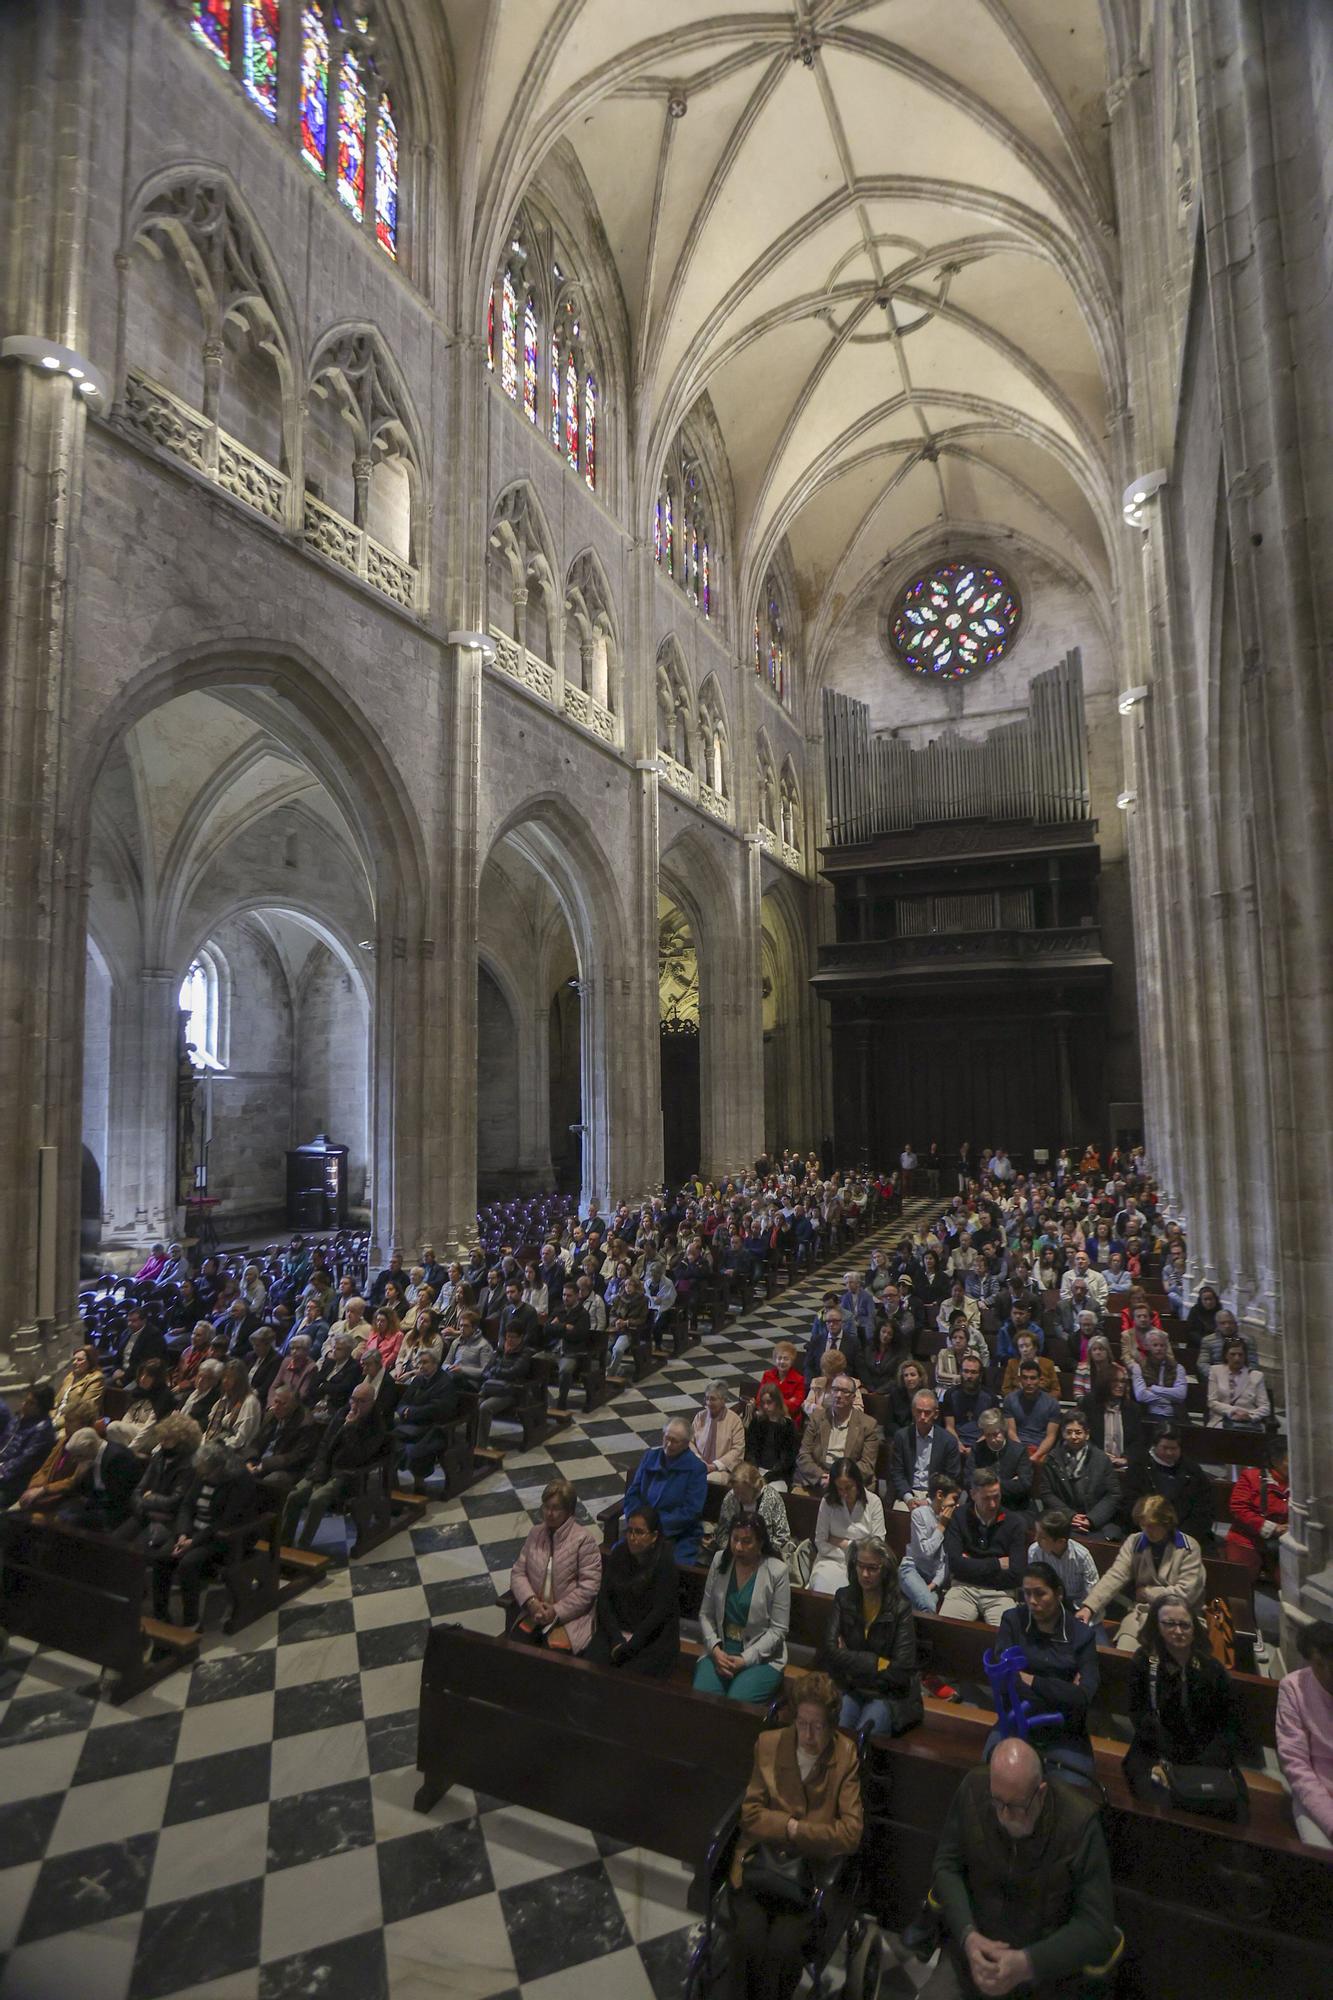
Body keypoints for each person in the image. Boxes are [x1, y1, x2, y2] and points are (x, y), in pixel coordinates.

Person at [921, 1736, 1118, 1998]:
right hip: (971, 1957)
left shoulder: (1078, 1824)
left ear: (1041, 1792)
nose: (1003, 1816)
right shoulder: (974, 1788)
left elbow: (1096, 1927)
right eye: (997, 1802)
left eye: (1015, 1806)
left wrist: (1028, 1963)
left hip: (1042, 1978)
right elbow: (947, 1865)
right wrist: (968, 1935)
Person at [725, 1670, 863, 2000]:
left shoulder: (844, 1756)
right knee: (748, 1939)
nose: (809, 1734)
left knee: (784, 1950)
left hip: (806, 1876)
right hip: (760, 1863)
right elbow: (751, 1814)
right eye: (802, 1723)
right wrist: (791, 1827)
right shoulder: (770, 1744)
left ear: (831, 1724)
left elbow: (851, 1833)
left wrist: (797, 1831)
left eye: (818, 1726)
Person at [1122, 1596, 1243, 1798]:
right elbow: (1139, 1715)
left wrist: (1206, 1758)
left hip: (1206, 1753)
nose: (1178, 1631)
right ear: (1156, 1626)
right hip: (1156, 1749)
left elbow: (1229, 1722)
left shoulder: (1211, 1668)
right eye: (1169, 1624)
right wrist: (1169, 1756)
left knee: (1227, 1801)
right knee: (1156, 1796)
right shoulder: (1144, 1663)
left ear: (1194, 1627)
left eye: (1184, 1625)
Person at [992, 1563, 1100, 1779]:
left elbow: (1084, 1696)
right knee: (996, 1775)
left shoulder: (1081, 1635)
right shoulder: (1013, 1620)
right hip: (1015, 1720)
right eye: (1027, 1594)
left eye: (1040, 1594)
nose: (1032, 1601)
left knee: (1074, 1788)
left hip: (1065, 1732)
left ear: (1058, 1593)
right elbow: (1003, 1681)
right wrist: (1064, 1691)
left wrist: (1030, 1680)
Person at [821, 1538, 923, 1740]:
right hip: (853, 1687)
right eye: (861, 1566)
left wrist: (849, 1656)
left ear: (884, 1569)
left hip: (888, 1694)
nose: (865, 1574)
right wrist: (876, 1662)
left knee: (864, 1734)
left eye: (872, 1568)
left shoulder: (900, 1608)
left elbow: (902, 1669)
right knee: (838, 1729)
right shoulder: (843, 1598)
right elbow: (830, 1653)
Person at [149, 1442, 259, 1627]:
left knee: (187, 1563)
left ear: (220, 1467)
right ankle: (160, 1615)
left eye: (207, 1474)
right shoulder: (203, 1471)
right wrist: (183, 1534)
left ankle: (191, 1621)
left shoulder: (240, 1479)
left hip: (224, 1536)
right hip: (194, 1531)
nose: (203, 1477)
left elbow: (226, 1520)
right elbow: (187, 1505)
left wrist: (193, 1542)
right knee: (161, 1557)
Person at [1077, 1496, 1204, 1650]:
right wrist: (1089, 1607)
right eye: (1143, 1525)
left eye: (1151, 1526)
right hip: (1142, 1614)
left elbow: (1185, 1594)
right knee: (1124, 1654)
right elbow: (1115, 1576)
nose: (1146, 1530)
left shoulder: (1188, 1547)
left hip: (1181, 1618)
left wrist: (1147, 1592)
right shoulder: (1134, 1542)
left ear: (1166, 1523)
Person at [693, 1515, 791, 1702]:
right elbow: (705, 1614)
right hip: (720, 1649)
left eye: (746, 1542)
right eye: (735, 1539)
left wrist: (745, 1659)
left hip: (761, 1656)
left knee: (736, 1702)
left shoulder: (777, 1571)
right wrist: (715, 1649)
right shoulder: (719, 1560)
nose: (738, 1547)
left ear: (760, 1542)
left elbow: (778, 1630)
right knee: (702, 1698)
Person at [280, 1380, 385, 1550]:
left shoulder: (376, 1425)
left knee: (317, 1499)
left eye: (361, 1401)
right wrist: (319, 1470)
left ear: (372, 1402)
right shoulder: (342, 1413)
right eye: (353, 1399)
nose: (354, 1405)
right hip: (324, 1468)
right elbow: (324, 1443)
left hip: (347, 1475)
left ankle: (302, 1547)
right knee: (294, 1495)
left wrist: (350, 1428)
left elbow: (359, 1456)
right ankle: (284, 1544)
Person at [508, 1477, 601, 1652]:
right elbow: (518, 1573)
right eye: (546, 1507)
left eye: (556, 1508)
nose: (549, 1513)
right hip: (535, 1611)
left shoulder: (583, 1540)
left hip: (570, 1619)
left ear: (568, 1511)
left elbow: (589, 1588)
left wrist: (555, 1611)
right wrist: (532, 1602)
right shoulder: (535, 1533)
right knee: (516, 1646)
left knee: (551, 1654)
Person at [586, 1503, 680, 1676]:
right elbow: (605, 1599)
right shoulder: (619, 1553)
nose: (632, 1537)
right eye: (629, 1531)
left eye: (639, 1532)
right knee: (592, 1663)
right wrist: (616, 1638)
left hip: (650, 1638)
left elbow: (659, 1613)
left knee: (632, 1676)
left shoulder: (665, 1564)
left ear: (654, 1536)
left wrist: (631, 1644)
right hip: (618, 1631)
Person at [940, 1467, 1027, 1627]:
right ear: (973, 1495)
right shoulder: (958, 1517)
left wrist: (970, 1565)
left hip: (1000, 1593)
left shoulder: (1015, 1523)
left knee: (1006, 1636)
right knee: (946, 1631)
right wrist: (997, 1564)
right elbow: (955, 1564)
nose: (993, 1504)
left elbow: (1016, 1574)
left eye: (997, 1497)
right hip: (963, 1589)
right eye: (986, 1498)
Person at [1275, 1620, 1333, 1848]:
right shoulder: (1293, 1688)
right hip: (1315, 1795)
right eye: (1319, 1664)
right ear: (1309, 1662)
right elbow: (1296, 1764)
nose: (1328, 1671)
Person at [113, 1413, 203, 1550]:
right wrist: (143, 1506)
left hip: (168, 1521)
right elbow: (138, 1490)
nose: (162, 1442)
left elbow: (175, 1502)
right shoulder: (159, 1457)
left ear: (182, 1441)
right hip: (145, 1513)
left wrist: (149, 1497)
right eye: (162, 1438)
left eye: (167, 1439)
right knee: (114, 1540)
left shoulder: (190, 1465)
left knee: (137, 1550)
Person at [624, 1416, 708, 1563]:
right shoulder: (651, 1456)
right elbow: (633, 1493)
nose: (668, 1444)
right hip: (641, 1529)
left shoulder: (696, 1468)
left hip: (677, 1534)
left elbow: (691, 1510)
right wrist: (638, 1523)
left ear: (686, 1444)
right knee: (620, 1555)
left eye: (675, 1441)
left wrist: (654, 1526)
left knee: (668, 1565)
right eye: (666, 1438)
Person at [1120, 1424, 1216, 1544]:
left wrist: (1181, 1535)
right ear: (1154, 1446)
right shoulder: (1139, 1466)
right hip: (1145, 1531)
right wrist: (1153, 1530)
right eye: (1165, 1448)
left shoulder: (1192, 1471)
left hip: (1184, 1536)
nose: (1169, 1452)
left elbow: (1204, 1508)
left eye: (1174, 1448)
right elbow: (1130, 1503)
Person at [810, 1459, 887, 1594]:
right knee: (822, 1586)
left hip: (863, 1567)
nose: (844, 1494)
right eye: (839, 1489)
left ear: (857, 1482)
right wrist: (854, 1549)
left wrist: (842, 1542)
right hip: (830, 1561)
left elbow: (877, 1545)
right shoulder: (828, 1502)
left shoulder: (874, 1502)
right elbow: (820, 1541)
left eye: (848, 1488)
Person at [1038, 1413, 1122, 1537]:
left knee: (1112, 1536)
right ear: (1062, 1433)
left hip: (1096, 1520)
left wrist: (1091, 1519)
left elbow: (1113, 1494)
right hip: (1062, 1518)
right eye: (1069, 1432)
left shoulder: (1101, 1459)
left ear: (1087, 1434)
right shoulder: (1052, 1459)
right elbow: (1046, 1493)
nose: (1073, 1436)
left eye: (1078, 1432)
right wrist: (1070, 1516)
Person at [796, 1375, 882, 1491]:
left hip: (849, 1482)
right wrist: (820, 1476)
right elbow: (803, 1455)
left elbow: (866, 1465)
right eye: (835, 1390)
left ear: (853, 1396)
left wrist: (839, 1479)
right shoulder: (817, 1418)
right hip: (817, 1479)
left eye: (844, 1391)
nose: (838, 1395)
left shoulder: (868, 1425)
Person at [49, 1426, 141, 1533]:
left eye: (79, 1456)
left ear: (91, 1445)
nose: (75, 1460)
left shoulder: (117, 1457)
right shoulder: (90, 1457)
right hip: (97, 1501)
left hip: (114, 1509)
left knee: (70, 1519)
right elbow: (84, 1489)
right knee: (61, 1509)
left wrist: (89, 1502)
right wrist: (81, 1475)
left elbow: (119, 1496)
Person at [392, 1349, 462, 1483]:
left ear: (435, 1363)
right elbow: (402, 1402)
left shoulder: (445, 1382)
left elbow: (438, 1409)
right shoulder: (418, 1379)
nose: (421, 1366)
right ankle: (392, 1483)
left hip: (434, 1429)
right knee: (389, 1442)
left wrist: (411, 1412)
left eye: (425, 1362)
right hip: (412, 1425)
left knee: (415, 1451)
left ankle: (419, 1486)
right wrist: (403, 1410)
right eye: (419, 1363)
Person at [889, 1388, 963, 1509]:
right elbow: (897, 1472)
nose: (922, 1417)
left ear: (936, 1414)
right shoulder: (902, 1437)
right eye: (919, 1411)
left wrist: (929, 1500)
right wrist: (908, 1498)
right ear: (913, 1411)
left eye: (927, 1412)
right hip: (909, 1494)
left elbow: (951, 1478)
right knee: (900, 1510)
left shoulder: (948, 1441)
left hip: (937, 1496)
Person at [246, 1384, 319, 1505]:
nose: (276, 1407)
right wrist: (249, 1461)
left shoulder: (306, 1423)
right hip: (262, 1462)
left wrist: (264, 1465)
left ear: (295, 1405)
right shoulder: (271, 1414)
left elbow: (297, 1456)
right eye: (276, 1401)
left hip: (289, 1469)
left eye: (283, 1404)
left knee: (269, 1482)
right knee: (236, 1470)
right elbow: (256, 1442)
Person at [1224, 1440, 1289, 1576]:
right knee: (1241, 1579)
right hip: (1247, 1537)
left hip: (1286, 1541)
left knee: (1290, 1583)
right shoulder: (1251, 1476)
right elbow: (1238, 1508)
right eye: (1290, 1460)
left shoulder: (1303, 1484)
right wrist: (1271, 1527)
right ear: (1275, 1461)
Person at [899, 1472, 960, 1612]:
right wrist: (941, 1526)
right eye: (954, 1500)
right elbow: (925, 1552)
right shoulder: (919, 1514)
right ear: (939, 1495)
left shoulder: (954, 1521)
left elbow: (945, 1562)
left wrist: (932, 1585)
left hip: (933, 1580)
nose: (956, 1506)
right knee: (928, 1606)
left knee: (925, 1607)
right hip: (912, 1569)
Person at [709, 1460, 793, 1559]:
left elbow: (782, 1536)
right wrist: (735, 1550)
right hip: (734, 1554)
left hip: (765, 1557)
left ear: (755, 1488)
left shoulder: (772, 1498)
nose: (739, 1498)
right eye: (737, 1493)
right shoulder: (731, 1498)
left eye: (743, 1494)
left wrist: (758, 1552)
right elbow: (722, 1532)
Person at [473, 1321, 535, 1452]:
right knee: (475, 1403)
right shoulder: (500, 1349)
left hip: (511, 1392)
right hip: (492, 1388)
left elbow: (515, 1372)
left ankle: (481, 1447)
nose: (510, 1340)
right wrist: (498, 1370)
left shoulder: (525, 1352)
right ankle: (474, 1441)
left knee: (485, 1407)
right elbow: (486, 1370)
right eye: (508, 1336)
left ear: (521, 1337)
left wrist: (497, 1369)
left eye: (513, 1337)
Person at [1028, 1511, 1099, 1612]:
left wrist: (1085, 1610)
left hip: (1078, 1607)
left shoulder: (1082, 1556)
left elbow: (1092, 1591)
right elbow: (1034, 1586)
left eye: (1042, 1537)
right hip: (1047, 1605)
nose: (1036, 1539)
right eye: (1036, 1534)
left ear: (1060, 1542)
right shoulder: (1034, 1552)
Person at [0, 1383, 58, 1506]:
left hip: (15, 1483)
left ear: (42, 1407)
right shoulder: (19, 1419)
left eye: (30, 1403)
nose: (23, 1405)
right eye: (25, 1401)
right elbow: (4, 1442)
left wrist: (1, 1470)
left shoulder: (43, 1432)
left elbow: (23, 1461)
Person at [1077, 1362, 1142, 1470]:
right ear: (1105, 1382)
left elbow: (1138, 1441)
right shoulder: (1089, 1404)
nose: (1120, 1385)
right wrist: (1100, 1456)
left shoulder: (1132, 1409)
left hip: (1123, 1466)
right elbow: (1083, 1437)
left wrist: (1126, 1459)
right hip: (1093, 1464)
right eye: (1115, 1381)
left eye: (1123, 1382)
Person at [972, 1406, 1034, 1512]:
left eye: (996, 1434)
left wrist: (986, 1486)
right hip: (983, 1504)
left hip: (1014, 1505)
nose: (992, 1439)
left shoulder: (1019, 1450)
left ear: (1004, 1431)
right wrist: (1009, 1483)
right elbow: (969, 1480)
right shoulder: (977, 1449)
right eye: (988, 1435)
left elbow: (1024, 1484)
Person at [1206, 1335, 1271, 1429]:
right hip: (1222, 1419)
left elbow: (1265, 1407)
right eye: (1233, 1354)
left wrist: (1250, 1416)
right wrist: (1233, 1411)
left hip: (1248, 1422)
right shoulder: (1215, 1371)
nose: (1237, 1358)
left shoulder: (1256, 1376)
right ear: (1226, 1355)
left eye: (1240, 1355)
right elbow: (1212, 1402)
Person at [744, 1379, 798, 1490]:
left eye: (769, 1402)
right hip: (757, 1469)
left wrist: (767, 1478)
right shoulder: (757, 1422)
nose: (766, 1407)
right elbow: (750, 1449)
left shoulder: (788, 1426)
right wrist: (754, 1470)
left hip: (778, 1475)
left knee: (771, 1492)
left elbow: (787, 1460)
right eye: (763, 1403)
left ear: (777, 1402)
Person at [1002, 1360, 1060, 1463]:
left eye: (1033, 1378)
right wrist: (1022, 1454)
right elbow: (1011, 1431)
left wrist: (1036, 1455)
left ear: (1040, 1379)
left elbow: (1051, 1436)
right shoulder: (1010, 1400)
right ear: (1020, 1379)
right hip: (1017, 1447)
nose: (1029, 1383)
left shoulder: (1052, 1403)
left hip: (1041, 1450)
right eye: (1025, 1378)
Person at [943, 1357, 999, 1459]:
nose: (969, 1376)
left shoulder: (990, 1397)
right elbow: (949, 1427)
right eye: (966, 1371)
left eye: (974, 1372)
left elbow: (991, 1430)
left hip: (982, 1445)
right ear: (960, 1372)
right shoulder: (950, 1394)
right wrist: (958, 1444)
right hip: (956, 1443)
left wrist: (975, 1447)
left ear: (980, 1375)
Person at [692, 1383, 746, 1487]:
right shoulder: (700, 1416)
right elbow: (689, 1442)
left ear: (723, 1400)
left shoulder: (734, 1421)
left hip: (722, 1470)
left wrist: (714, 1466)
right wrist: (698, 1460)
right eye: (707, 1398)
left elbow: (738, 1449)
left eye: (713, 1399)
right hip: (698, 1465)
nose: (708, 1403)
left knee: (706, 1481)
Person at [1130, 1329, 1188, 1423]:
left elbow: (1181, 1394)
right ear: (1148, 1347)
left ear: (1166, 1347)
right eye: (1155, 1345)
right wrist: (1170, 1398)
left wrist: (1153, 1389)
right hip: (1149, 1415)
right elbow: (1141, 1395)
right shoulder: (1139, 1367)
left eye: (1162, 1345)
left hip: (1174, 1415)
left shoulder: (1178, 1368)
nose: (1159, 1349)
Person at [761, 1339, 807, 1424]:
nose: (782, 1362)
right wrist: (787, 1401)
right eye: (779, 1358)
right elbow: (759, 1399)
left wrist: (771, 1401)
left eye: (786, 1359)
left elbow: (795, 1406)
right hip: (767, 1417)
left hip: (788, 1421)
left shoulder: (799, 1379)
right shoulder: (767, 1375)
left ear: (792, 1361)